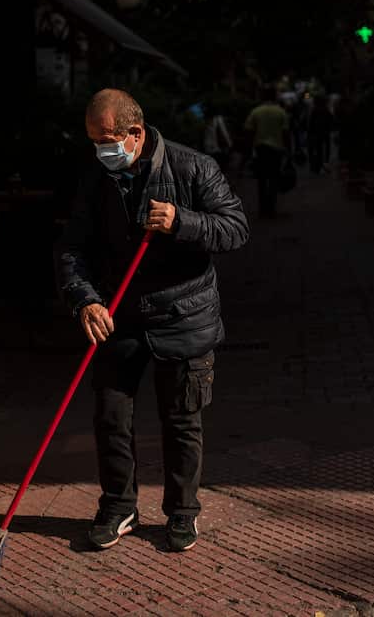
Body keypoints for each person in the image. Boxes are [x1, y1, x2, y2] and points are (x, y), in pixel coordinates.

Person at [58, 89, 249, 554]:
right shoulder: (95, 179)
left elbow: (235, 228)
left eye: (107, 140)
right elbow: (73, 248)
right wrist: (85, 300)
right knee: (110, 416)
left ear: (135, 134)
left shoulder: (193, 167)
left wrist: (182, 221)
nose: (101, 149)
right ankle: (118, 505)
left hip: (184, 315)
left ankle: (182, 514)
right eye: (94, 141)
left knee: (181, 419)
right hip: (118, 315)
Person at [244, 87, 291, 217]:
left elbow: (248, 131)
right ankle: (271, 208)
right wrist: (289, 150)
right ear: (275, 96)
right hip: (277, 150)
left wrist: (248, 150)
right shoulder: (281, 112)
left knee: (262, 179)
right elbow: (286, 133)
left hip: (261, 149)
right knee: (274, 178)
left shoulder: (256, 112)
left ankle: (263, 208)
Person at [201, 102, 233, 172]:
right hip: (216, 148)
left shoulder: (203, 119)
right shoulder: (218, 119)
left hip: (206, 147)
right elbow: (223, 132)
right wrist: (229, 144)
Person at [307, 95, 333, 176]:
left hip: (316, 133)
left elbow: (311, 123)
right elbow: (331, 120)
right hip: (325, 132)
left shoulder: (314, 110)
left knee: (318, 150)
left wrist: (310, 132)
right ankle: (325, 163)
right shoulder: (326, 110)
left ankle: (317, 165)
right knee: (325, 148)